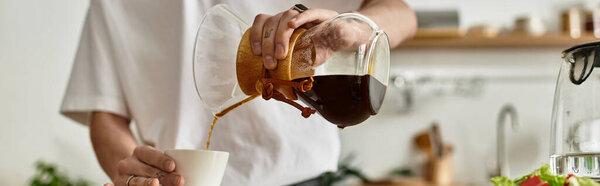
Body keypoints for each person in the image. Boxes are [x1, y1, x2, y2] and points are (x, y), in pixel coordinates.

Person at [60, 0, 416, 186]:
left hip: (297, 179)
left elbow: (401, 12)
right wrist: (140, 175)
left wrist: (356, 25)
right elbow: (104, 113)